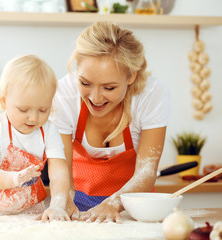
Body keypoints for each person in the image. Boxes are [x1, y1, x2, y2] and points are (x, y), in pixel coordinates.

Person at [49, 21, 171, 223]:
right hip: (76, 209)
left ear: (131, 76)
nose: (95, 98)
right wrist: (62, 202)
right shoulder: (64, 93)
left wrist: (113, 203)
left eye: (109, 88)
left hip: (133, 211)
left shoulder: (151, 94)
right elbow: (60, 167)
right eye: (85, 83)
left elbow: (147, 172)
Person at [0, 54, 70, 222]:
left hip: (28, 208)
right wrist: (14, 178)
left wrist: (58, 204)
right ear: (3, 102)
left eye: (43, 109)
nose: (34, 118)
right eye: (24, 109)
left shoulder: (49, 130)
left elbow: (58, 170)